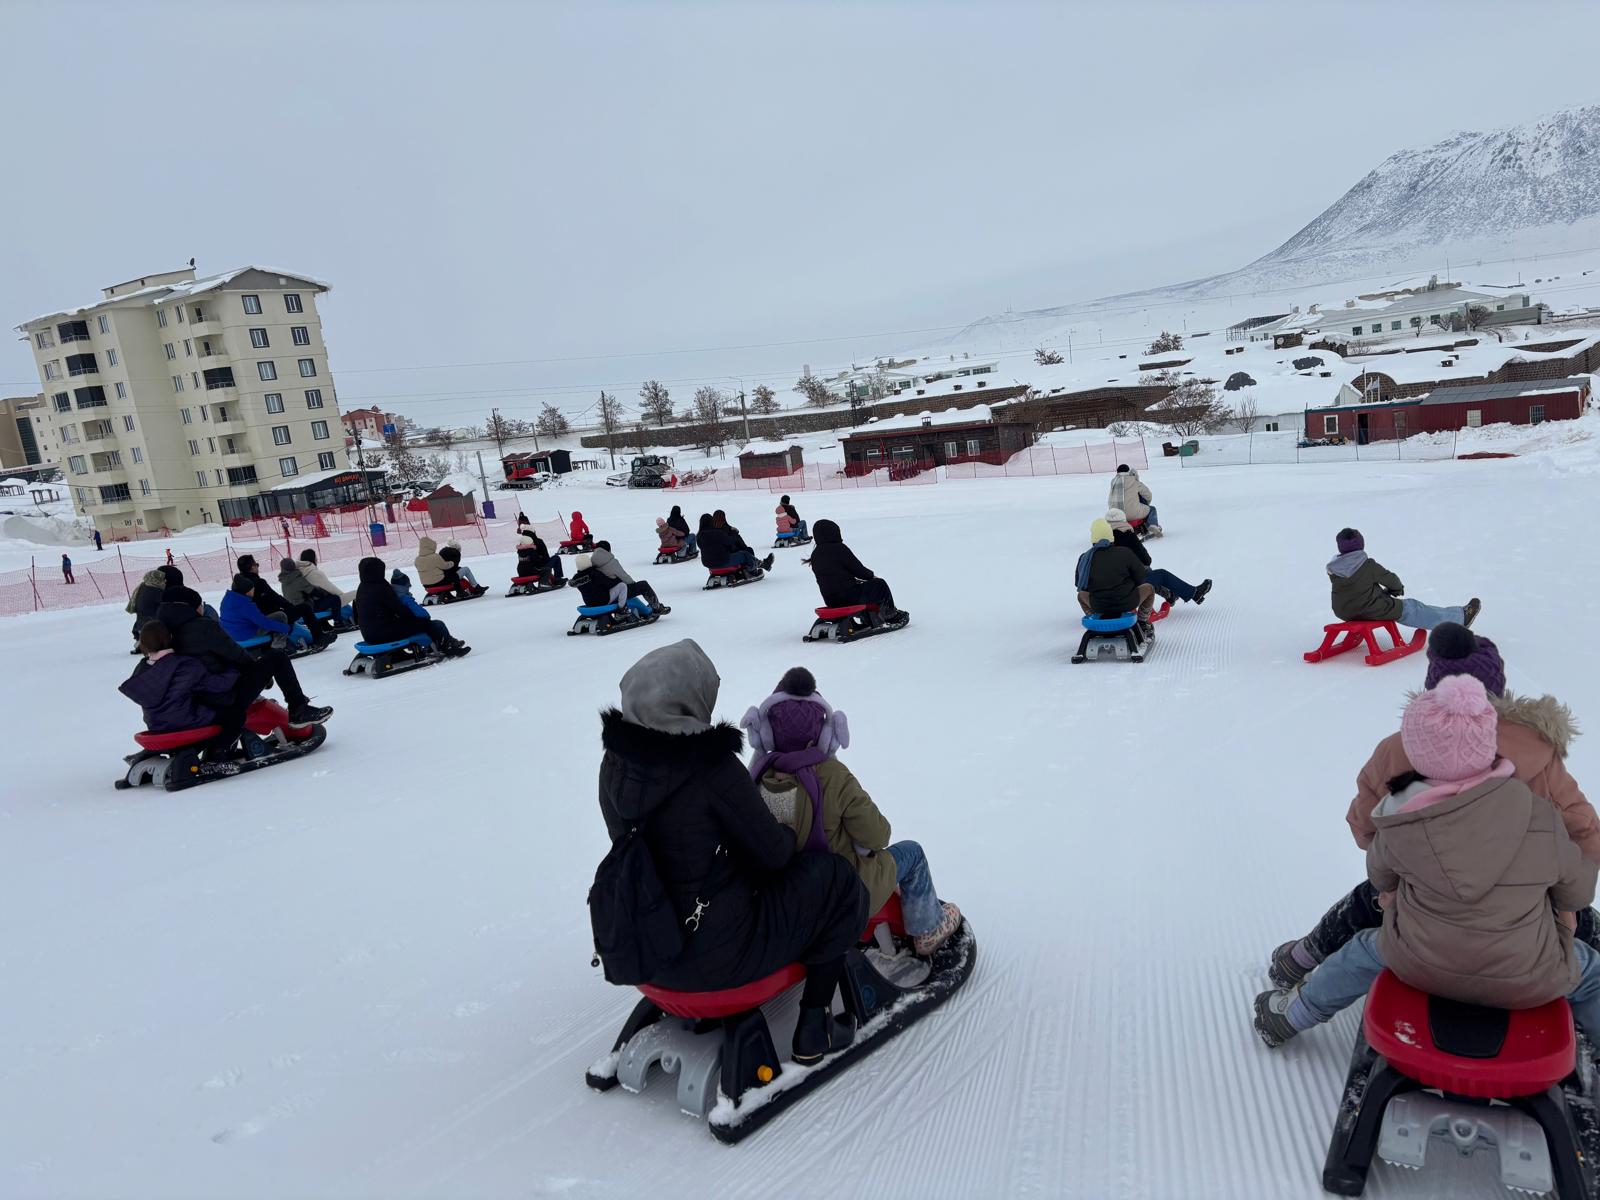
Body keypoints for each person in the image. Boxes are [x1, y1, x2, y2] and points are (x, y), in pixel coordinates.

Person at [1254, 675, 1600, 1048]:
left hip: (1416, 962)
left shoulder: (1398, 819)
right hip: (1528, 974)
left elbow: (1379, 876)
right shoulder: (1539, 816)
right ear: (1488, 748)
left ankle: (1290, 1015)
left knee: (1361, 951)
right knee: (1593, 975)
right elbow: (1576, 893)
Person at [596, 639, 868, 1063]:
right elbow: (775, 856)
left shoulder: (613, 764)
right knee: (836, 880)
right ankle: (815, 1024)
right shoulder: (711, 767)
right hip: (722, 959)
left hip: (645, 948)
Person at [743, 667, 961, 956]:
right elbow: (877, 835)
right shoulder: (833, 774)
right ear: (824, 733)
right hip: (841, 892)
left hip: (785, 897)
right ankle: (928, 930)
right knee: (912, 852)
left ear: (768, 732)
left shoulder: (756, 777)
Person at [154, 586, 331, 728]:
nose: (202, 608)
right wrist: (262, 676)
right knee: (277, 657)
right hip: (221, 695)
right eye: (200, 604)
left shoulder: (159, 631)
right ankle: (298, 708)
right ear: (191, 607)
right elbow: (236, 656)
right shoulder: (203, 627)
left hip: (190, 698)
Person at [118, 619, 264, 759]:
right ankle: (217, 754)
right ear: (170, 638)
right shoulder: (185, 665)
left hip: (155, 724)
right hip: (184, 721)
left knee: (211, 712)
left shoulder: (143, 668)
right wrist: (234, 670)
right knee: (235, 716)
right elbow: (217, 684)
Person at [1327, 528, 1480, 631]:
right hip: (1370, 608)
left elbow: (1356, 589)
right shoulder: (1368, 565)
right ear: (1361, 544)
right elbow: (1391, 579)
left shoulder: (1334, 569)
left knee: (1389, 603)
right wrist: (1396, 589)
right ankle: (1460, 618)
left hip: (1344, 611)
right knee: (1412, 608)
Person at [353, 559, 470, 657]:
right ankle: (446, 648)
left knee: (415, 623)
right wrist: (415, 619)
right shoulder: (381, 587)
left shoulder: (363, 587)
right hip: (383, 632)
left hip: (369, 633)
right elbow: (400, 609)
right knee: (425, 623)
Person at [1104, 508, 1211, 605]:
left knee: (1146, 573)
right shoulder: (1128, 536)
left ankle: (1170, 595)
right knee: (1159, 574)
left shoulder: (1101, 541)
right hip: (1126, 587)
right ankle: (1194, 593)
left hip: (1105, 589)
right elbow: (1147, 560)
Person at [808, 519, 902, 619]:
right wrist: (871, 576)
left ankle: (869, 616)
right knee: (879, 584)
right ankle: (889, 613)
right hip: (848, 597)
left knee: (862, 588)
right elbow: (859, 570)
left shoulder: (815, 555)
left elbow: (834, 578)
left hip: (830, 600)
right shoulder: (839, 548)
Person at [1075, 517, 1154, 633]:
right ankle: (1142, 623)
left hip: (1099, 605)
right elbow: (1141, 578)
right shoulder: (1124, 552)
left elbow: (1079, 585)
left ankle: (1097, 620)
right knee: (1149, 588)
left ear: (1093, 538)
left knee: (1081, 595)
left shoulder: (1085, 558)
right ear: (1111, 536)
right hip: (1127, 603)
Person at [238, 554, 332, 647]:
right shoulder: (258, 582)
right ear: (252, 567)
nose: (257, 568)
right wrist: (290, 607)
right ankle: (319, 637)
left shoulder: (239, 585)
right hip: (270, 617)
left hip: (251, 622)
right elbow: (275, 597)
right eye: (256, 565)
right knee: (305, 608)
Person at [592, 541, 669, 615]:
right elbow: (624, 576)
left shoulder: (591, 562)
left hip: (601, 595)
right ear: (608, 550)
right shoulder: (611, 562)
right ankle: (656, 607)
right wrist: (633, 585)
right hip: (616, 593)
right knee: (643, 585)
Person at [571, 553, 653, 618]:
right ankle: (622, 609)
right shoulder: (595, 573)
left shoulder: (576, 579)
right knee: (622, 586)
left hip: (590, 603)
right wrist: (618, 579)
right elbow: (610, 583)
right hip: (603, 600)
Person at [700, 511, 774, 574]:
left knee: (743, 553)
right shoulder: (718, 533)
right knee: (745, 554)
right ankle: (760, 566)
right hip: (723, 561)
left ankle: (760, 564)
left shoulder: (699, 537)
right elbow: (730, 542)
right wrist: (734, 533)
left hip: (709, 565)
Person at [413, 536, 481, 597]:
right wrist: (452, 562)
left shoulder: (417, 559)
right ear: (431, 547)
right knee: (465, 569)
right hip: (440, 582)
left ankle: (449, 593)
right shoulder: (435, 557)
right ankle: (475, 587)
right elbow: (445, 566)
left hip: (426, 585)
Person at [1108, 464, 1159, 536]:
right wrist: (1146, 503)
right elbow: (1148, 495)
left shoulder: (1113, 482)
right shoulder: (1133, 481)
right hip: (1133, 513)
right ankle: (1153, 526)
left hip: (1116, 515)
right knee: (1151, 509)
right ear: (1128, 472)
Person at [127, 567, 170, 649]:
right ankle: (148, 643)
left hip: (140, 622)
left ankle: (142, 641)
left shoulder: (143, 586)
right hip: (150, 622)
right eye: (163, 579)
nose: (165, 581)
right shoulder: (154, 590)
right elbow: (166, 604)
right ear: (156, 580)